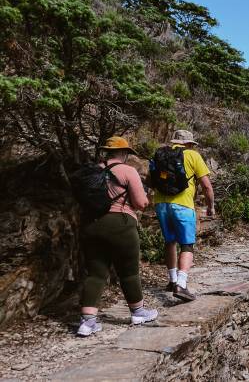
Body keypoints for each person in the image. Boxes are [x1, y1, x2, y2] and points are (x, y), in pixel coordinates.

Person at [77, 137, 157, 337]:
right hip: (121, 223)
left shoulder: (95, 170)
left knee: (96, 274)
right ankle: (138, 313)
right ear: (124, 153)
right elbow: (141, 203)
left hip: (92, 225)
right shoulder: (128, 171)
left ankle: (87, 322)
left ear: (106, 152)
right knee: (128, 272)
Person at [152, 130, 214, 302]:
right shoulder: (192, 155)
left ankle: (172, 280)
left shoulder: (160, 154)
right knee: (187, 245)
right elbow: (206, 186)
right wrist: (211, 206)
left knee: (169, 241)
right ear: (189, 144)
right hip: (183, 205)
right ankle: (181, 283)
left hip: (161, 204)